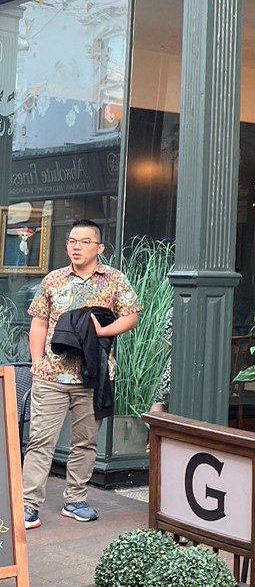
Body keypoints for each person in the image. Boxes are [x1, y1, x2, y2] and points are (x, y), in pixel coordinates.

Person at [22, 220, 141, 529]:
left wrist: (102, 331)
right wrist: (37, 362)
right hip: (51, 375)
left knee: (86, 442)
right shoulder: (53, 279)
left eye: (84, 242)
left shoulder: (114, 280)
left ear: (99, 248)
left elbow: (131, 317)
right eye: (72, 241)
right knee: (40, 441)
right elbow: (39, 322)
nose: (76, 247)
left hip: (93, 375)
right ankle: (28, 504)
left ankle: (75, 500)